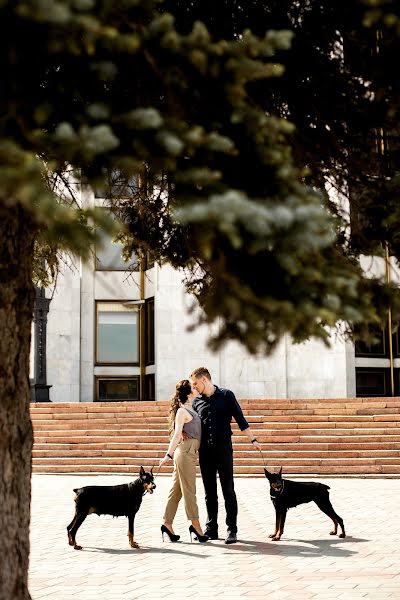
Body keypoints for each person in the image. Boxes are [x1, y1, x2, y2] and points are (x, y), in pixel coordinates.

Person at [190, 367, 262, 544]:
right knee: (209, 492)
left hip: (223, 450)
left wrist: (253, 440)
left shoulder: (227, 395)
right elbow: (193, 425)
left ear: (205, 380)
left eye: (195, 383)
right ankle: (211, 528)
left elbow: (240, 419)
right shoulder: (196, 401)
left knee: (228, 489)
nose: (194, 387)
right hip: (205, 452)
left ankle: (232, 529)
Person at [159, 379, 208, 543]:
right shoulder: (181, 411)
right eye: (193, 387)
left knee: (177, 490)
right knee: (189, 490)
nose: (196, 389)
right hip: (185, 452)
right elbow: (177, 434)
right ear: (188, 392)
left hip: (190, 452)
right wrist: (168, 454)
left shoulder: (191, 408)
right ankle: (196, 526)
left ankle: (167, 523)